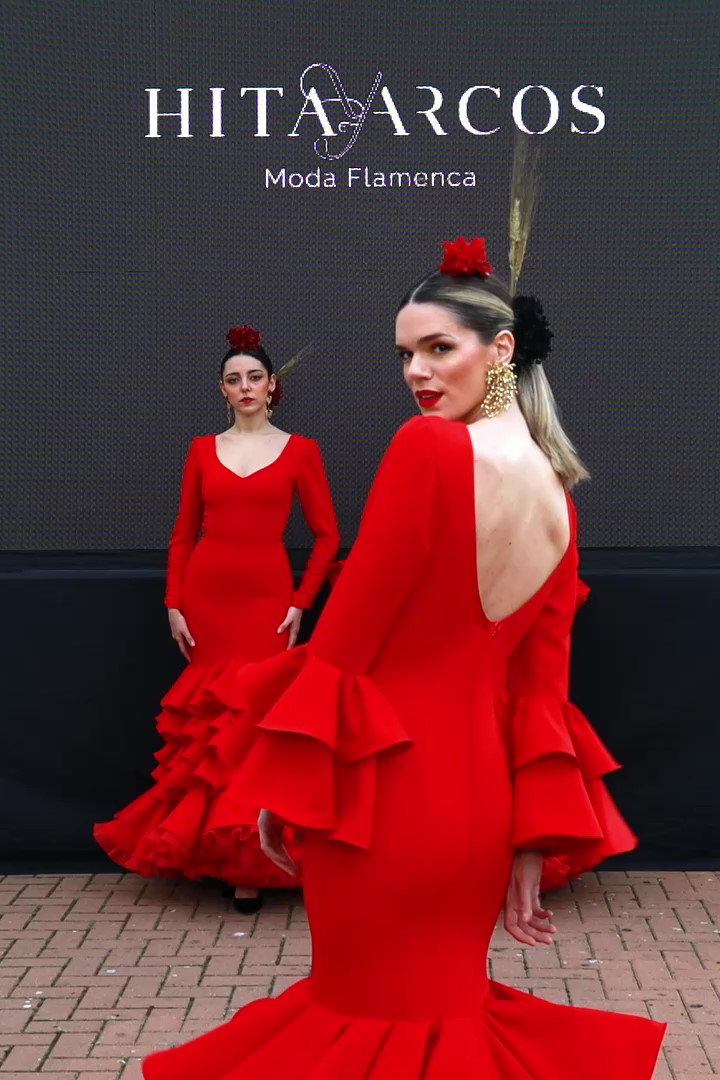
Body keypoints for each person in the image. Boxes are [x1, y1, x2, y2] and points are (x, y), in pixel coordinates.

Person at [142, 242, 665, 1077]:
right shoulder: (557, 500)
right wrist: (530, 841)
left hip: (382, 800)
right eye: (405, 354)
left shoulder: (428, 450)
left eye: (437, 348)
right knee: (439, 1019)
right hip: (479, 809)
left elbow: (345, 642)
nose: (416, 372)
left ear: (500, 349)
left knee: (364, 1018)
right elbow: (542, 695)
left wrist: (285, 783)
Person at [94, 324, 339, 913]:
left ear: (273, 385)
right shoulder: (201, 449)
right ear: (223, 391)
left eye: (255, 377)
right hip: (208, 600)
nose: (245, 386)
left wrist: (300, 602)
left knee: (257, 723)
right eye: (234, 379)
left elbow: (328, 537)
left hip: (268, 601)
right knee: (215, 727)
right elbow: (182, 535)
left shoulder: (302, 450)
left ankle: (256, 858)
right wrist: (173, 602)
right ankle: (220, 854)